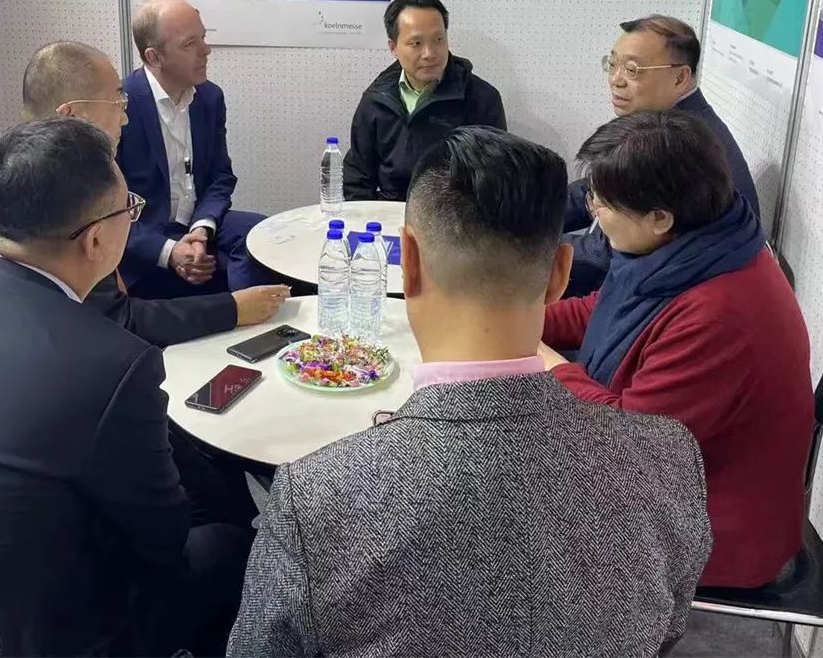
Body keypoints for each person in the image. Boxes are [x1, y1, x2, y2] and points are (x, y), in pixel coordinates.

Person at [230, 126, 711, 658]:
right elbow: (664, 632)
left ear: (408, 263)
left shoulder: (317, 499)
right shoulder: (668, 458)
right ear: (559, 275)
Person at [0, 119, 253, 656]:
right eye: (130, 208)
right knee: (229, 545)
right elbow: (163, 540)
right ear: (96, 239)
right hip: (14, 639)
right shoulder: (115, 366)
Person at [541, 111, 812, 589]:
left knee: (498, 516)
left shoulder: (720, 314)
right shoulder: (690, 248)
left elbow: (631, 443)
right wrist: (518, 320)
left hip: (713, 531)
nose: (592, 209)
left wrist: (546, 363)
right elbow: (600, 309)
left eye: (602, 201)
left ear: (659, 217)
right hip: (664, 479)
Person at [0, 40, 289, 345]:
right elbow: (117, 320)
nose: (125, 117)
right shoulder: (58, 191)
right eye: (116, 103)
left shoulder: (11, 168)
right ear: (72, 114)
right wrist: (234, 309)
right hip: (63, 350)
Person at [565, 14, 760, 297]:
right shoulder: (671, 124)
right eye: (613, 64)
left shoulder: (679, 147)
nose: (616, 80)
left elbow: (602, 257)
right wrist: (528, 214)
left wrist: (523, 251)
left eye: (633, 70)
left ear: (680, 77)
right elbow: (594, 188)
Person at [118, 0, 272, 298]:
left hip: (194, 221)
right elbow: (105, 214)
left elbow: (220, 177)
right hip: (143, 234)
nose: (206, 50)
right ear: (154, 57)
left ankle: (247, 317)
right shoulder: (121, 106)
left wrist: (202, 229)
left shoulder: (209, 98)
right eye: (190, 43)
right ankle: (232, 310)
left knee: (259, 233)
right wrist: (169, 251)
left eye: (203, 37)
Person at [342, 0, 506, 201]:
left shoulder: (481, 99)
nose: (429, 53)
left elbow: (495, 181)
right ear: (393, 48)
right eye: (416, 43)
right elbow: (357, 177)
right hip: (390, 211)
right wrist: (368, 218)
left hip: (454, 214)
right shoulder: (376, 100)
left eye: (438, 39)